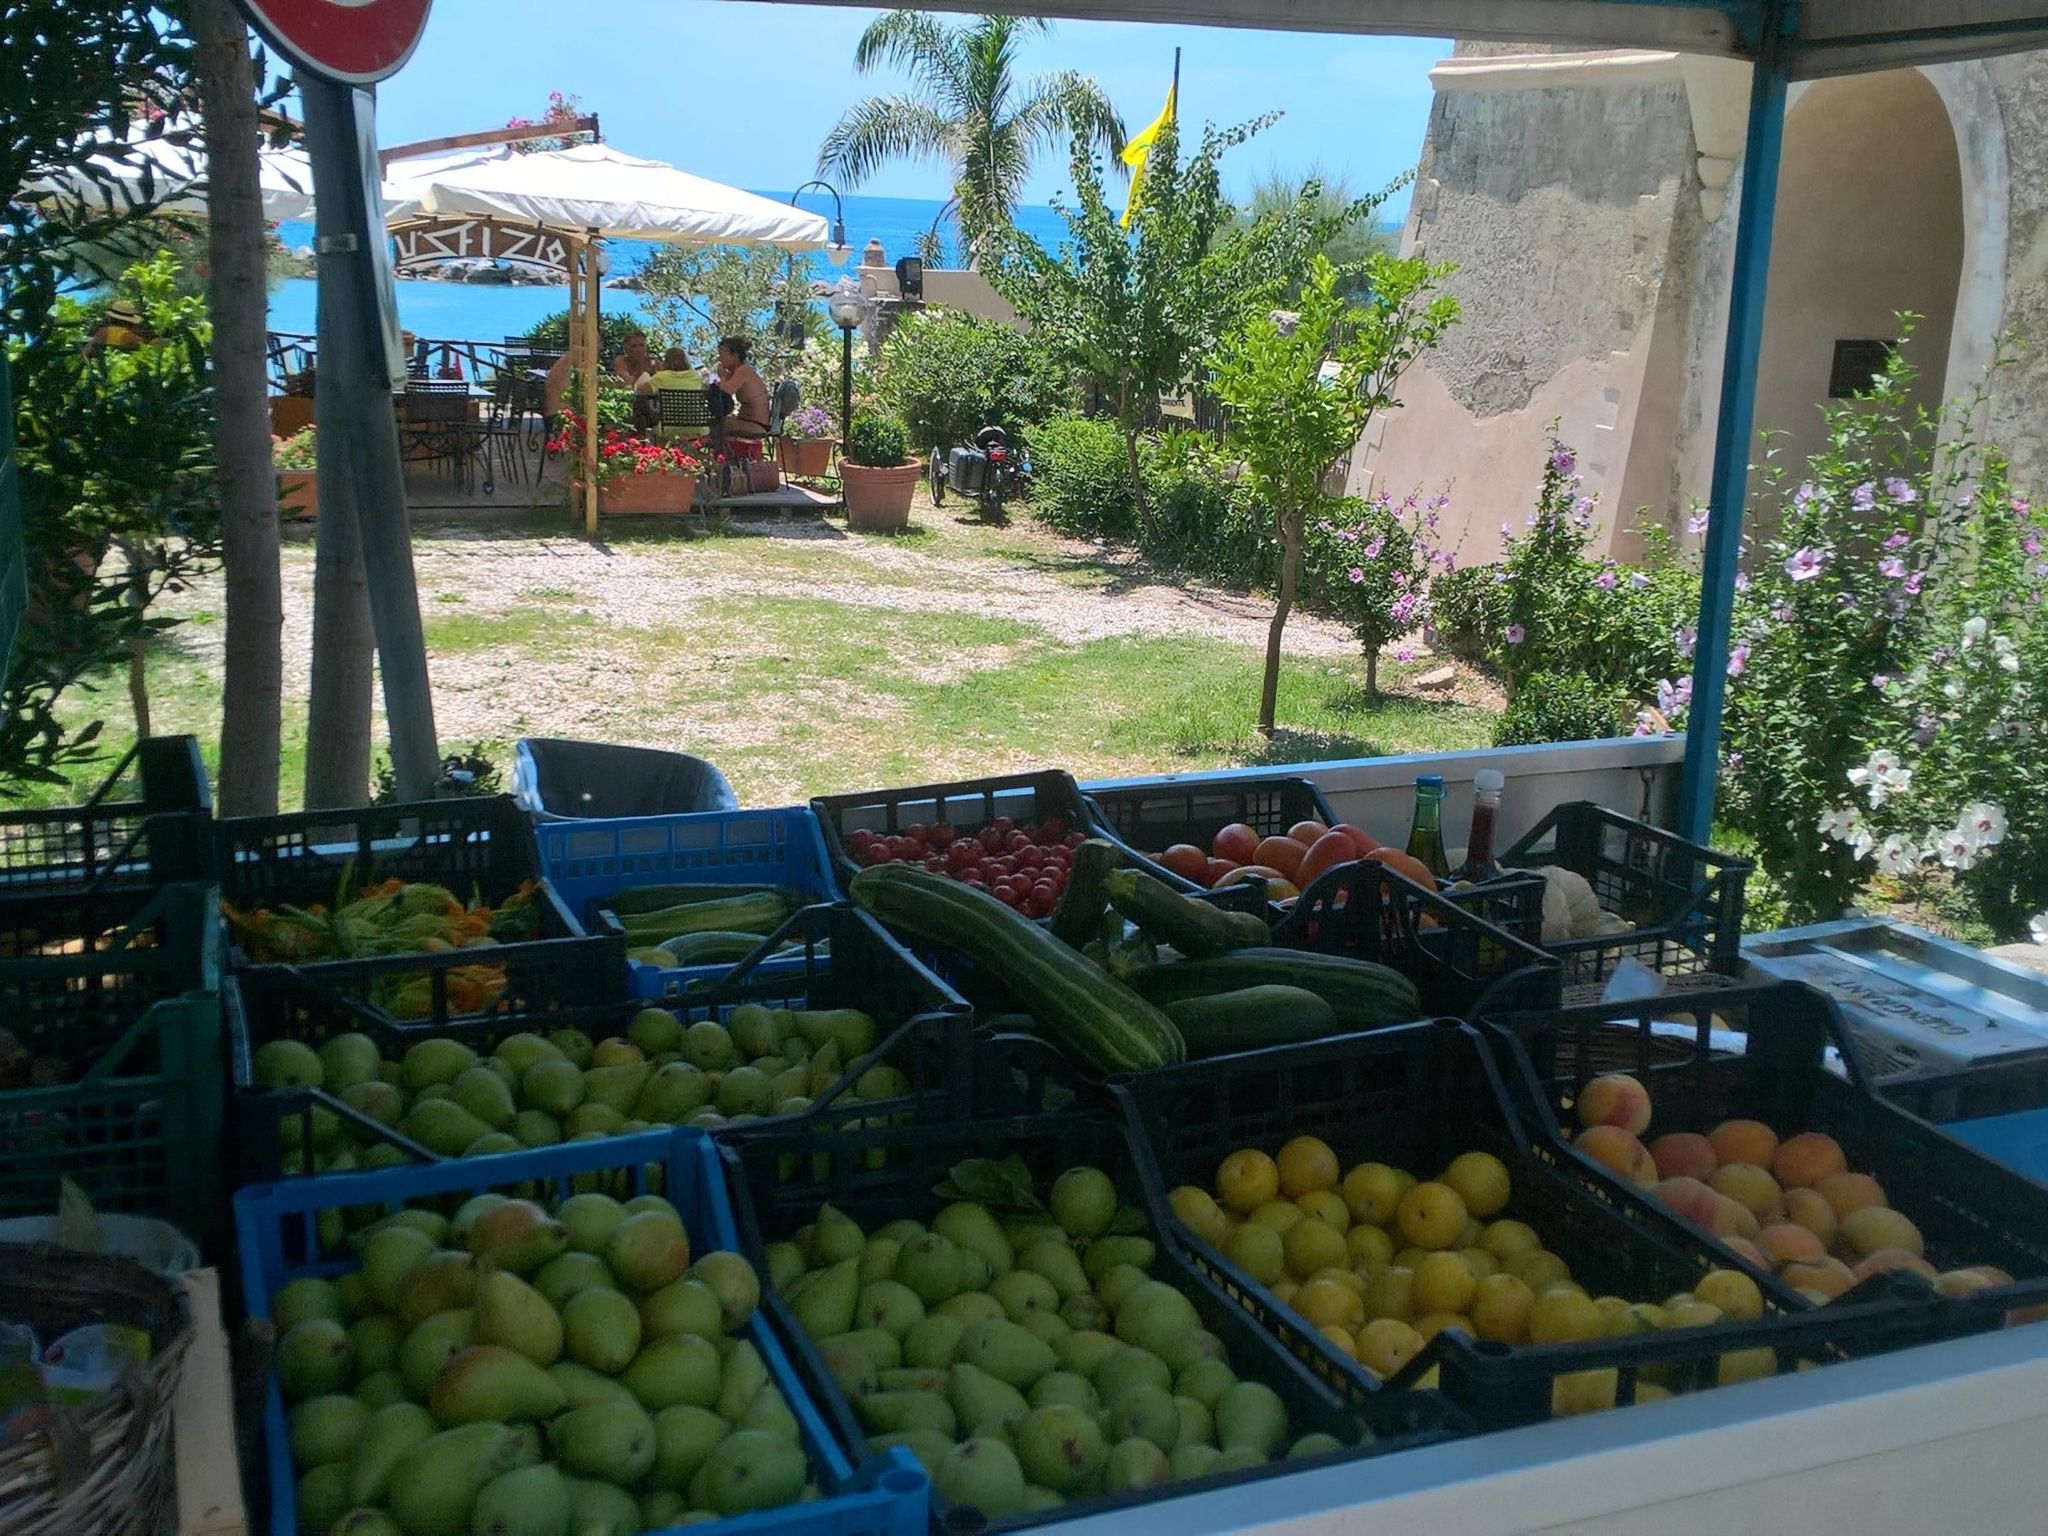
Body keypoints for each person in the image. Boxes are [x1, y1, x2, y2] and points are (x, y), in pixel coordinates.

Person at [712, 336, 770, 455]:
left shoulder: (743, 371)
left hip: (755, 425)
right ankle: (724, 460)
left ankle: (720, 461)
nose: (719, 359)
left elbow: (726, 392)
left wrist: (723, 376)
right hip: (748, 421)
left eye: (722, 354)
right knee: (717, 423)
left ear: (735, 355)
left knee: (714, 425)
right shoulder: (738, 372)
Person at [633, 347, 704, 433]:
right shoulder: (696, 376)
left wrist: (651, 373)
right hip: (697, 429)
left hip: (668, 429)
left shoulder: (661, 377)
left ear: (666, 361)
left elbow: (639, 390)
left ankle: (640, 435)